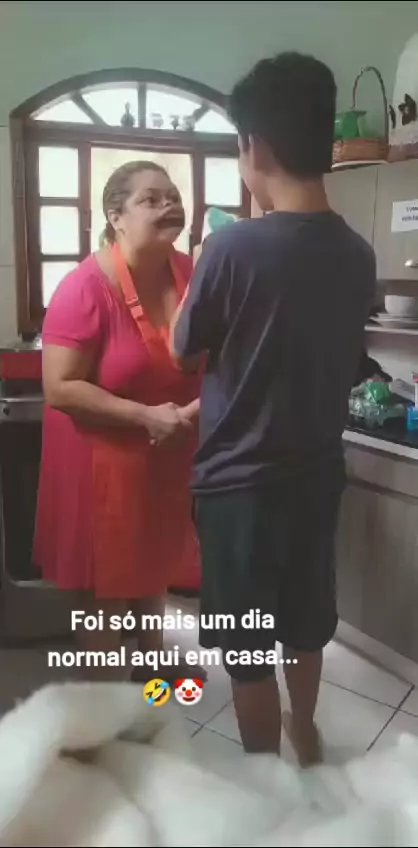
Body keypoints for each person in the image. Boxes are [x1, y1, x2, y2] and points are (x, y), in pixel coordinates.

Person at [170, 53, 375, 761]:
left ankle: (263, 774)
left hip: (240, 487)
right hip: (317, 473)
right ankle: (304, 731)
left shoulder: (230, 249)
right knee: (304, 621)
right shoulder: (357, 253)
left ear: (253, 146)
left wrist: (203, 261)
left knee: (248, 645)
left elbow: (183, 350)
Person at [34, 160, 202, 681]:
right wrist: (145, 416)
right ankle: (103, 707)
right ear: (116, 217)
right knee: (105, 598)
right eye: (151, 199)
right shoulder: (84, 287)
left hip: (164, 457)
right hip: (100, 468)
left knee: (153, 567)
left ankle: (152, 670)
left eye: (174, 196)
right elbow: (60, 386)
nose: (170, 205)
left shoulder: (190, 273)